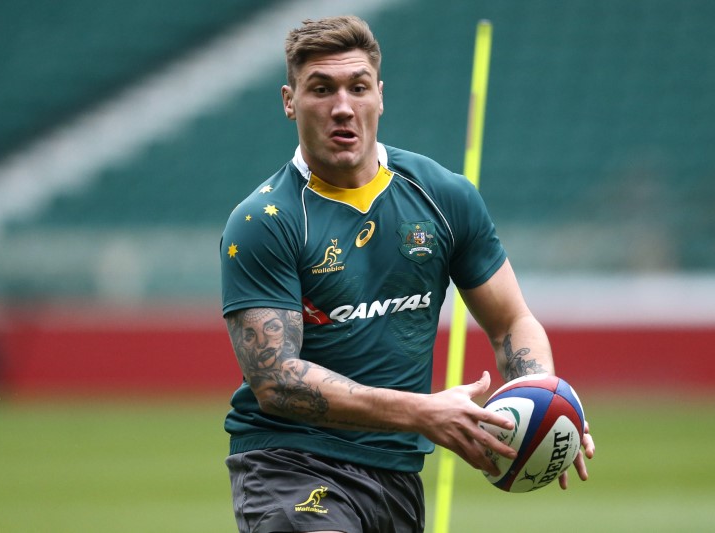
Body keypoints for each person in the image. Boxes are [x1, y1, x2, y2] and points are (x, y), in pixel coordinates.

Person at [220, 15, 594, 533]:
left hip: (397, 477)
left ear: (380, 95)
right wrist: (424, 412)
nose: (343, 107)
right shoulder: (264, 221)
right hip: (291, 466)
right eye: (321, 89)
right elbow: (276, 380)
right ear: (290, 101)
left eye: (358, 87)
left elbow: (511, 323)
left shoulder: (443, 196)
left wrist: (550, 407)